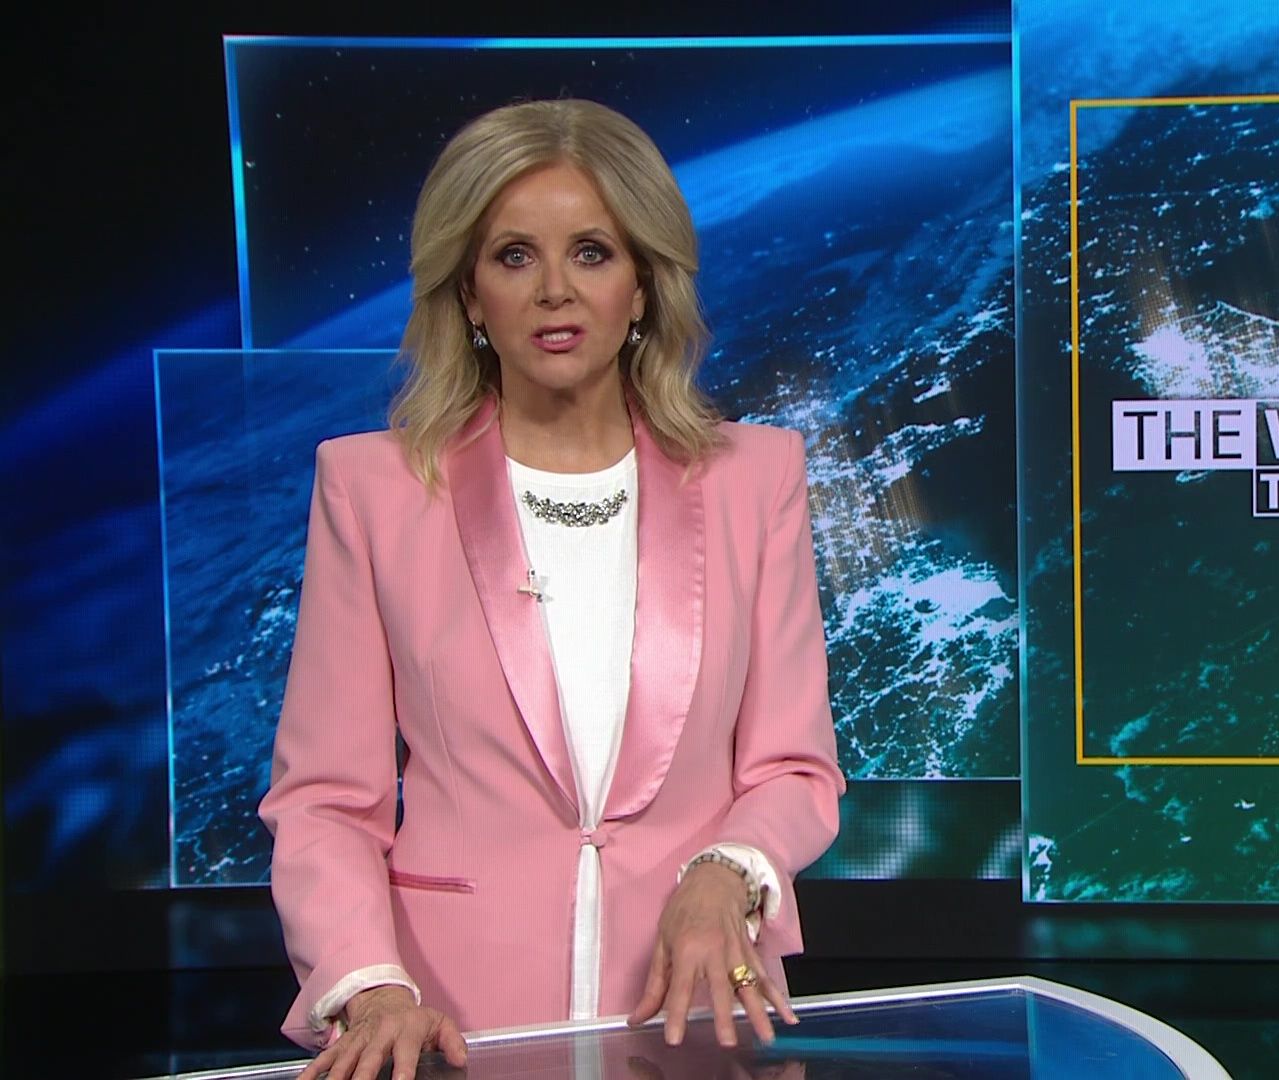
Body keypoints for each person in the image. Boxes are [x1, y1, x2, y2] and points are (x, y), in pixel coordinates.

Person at [258, 98, 845, 1080]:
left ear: (644, 285)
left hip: (691, 1020)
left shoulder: (755, 478)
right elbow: (326, 800)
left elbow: (793, 767)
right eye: (515, 256)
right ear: (469, 295)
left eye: (592, 253)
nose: (555, 292)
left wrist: (728, 871)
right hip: (450, 1025)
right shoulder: (374, 488)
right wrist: (371, 985)